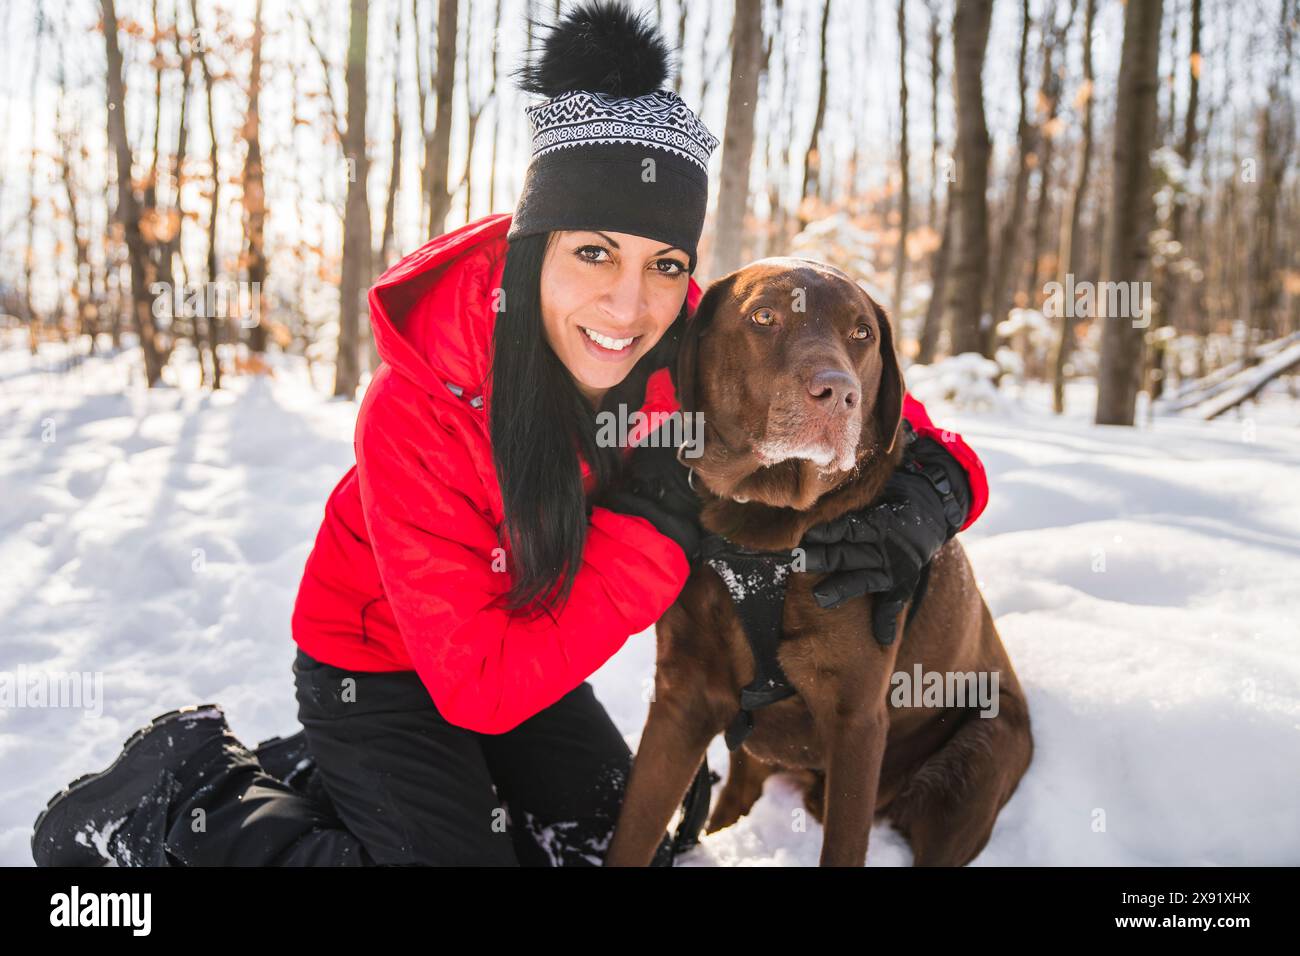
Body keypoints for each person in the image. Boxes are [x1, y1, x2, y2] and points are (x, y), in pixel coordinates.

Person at [31, 0, 988, 868]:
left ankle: (345, 786)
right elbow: (476, 691)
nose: (628, 302)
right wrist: (659, 531)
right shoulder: (417, 410)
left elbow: (914, 432)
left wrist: (924, 502)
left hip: (522, 651)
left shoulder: (691, 339)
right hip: (383, 668)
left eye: (664, 263)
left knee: (628, 852)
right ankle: (188, 795)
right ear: (537, 245)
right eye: (594, 253)